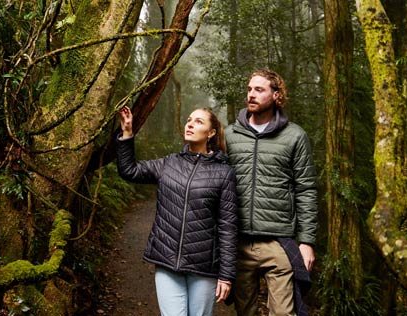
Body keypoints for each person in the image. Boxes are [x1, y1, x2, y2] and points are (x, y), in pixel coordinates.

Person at [116, 106, 238, 316]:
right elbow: (130, 170)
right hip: (167, 260)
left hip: (203, 267)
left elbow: (228, 227)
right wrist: (127, 134)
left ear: (211, 133)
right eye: (189, 120)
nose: (190, 124)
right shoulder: (169, 163)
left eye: (199, 121)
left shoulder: (224, 173)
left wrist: (226, 275)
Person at [225, 69, 318, 316]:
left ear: (276, 95)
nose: (251, 95)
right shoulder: (229, 135)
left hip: (278, 242)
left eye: (259, 89)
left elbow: (306, 189)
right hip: (239, 242)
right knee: (245, 312)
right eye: (249, 89)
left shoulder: (295, 136)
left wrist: (306, 241)